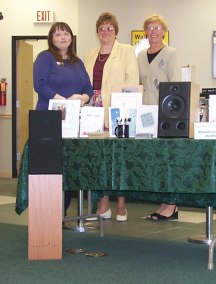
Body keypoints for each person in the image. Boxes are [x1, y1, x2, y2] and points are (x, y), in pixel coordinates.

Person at [33, 22, 94, 216]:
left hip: (73, 121)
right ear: (51, 38)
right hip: (48, 120)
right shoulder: (45, 58)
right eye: (58, 34)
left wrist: (83, 98)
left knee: (68, 166)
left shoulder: (77, 61)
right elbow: (40, 85)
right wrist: (65, 101)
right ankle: (45, 214)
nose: (62, 37)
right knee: (48, 168)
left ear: (71, 37)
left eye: (66, 34)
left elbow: (88, 88)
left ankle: (62, 213)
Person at [84, 12, 139, 221]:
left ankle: (121, 205)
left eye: (110, 28)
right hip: (93, 109)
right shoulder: (90, 53)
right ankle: (103, 204)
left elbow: (132, 81)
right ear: (97, 31)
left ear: (116, 32)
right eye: (102, 28)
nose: (105, 32)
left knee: (119, 158)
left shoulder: (126, 50)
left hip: (118, 108)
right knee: (99, 158)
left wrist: (126, 108)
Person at [137, 15, 182, 221]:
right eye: (149, 28)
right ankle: (163, 203)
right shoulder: (140, 56)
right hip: (146, 114)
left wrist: (173, 115)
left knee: (168, 158)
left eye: (157, 28)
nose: (153, 31)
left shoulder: (171, 53)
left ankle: (171, 205)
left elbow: (177, 87)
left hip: (166, 115)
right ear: (145, 31)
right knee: (155, 158)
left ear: (164, 31)